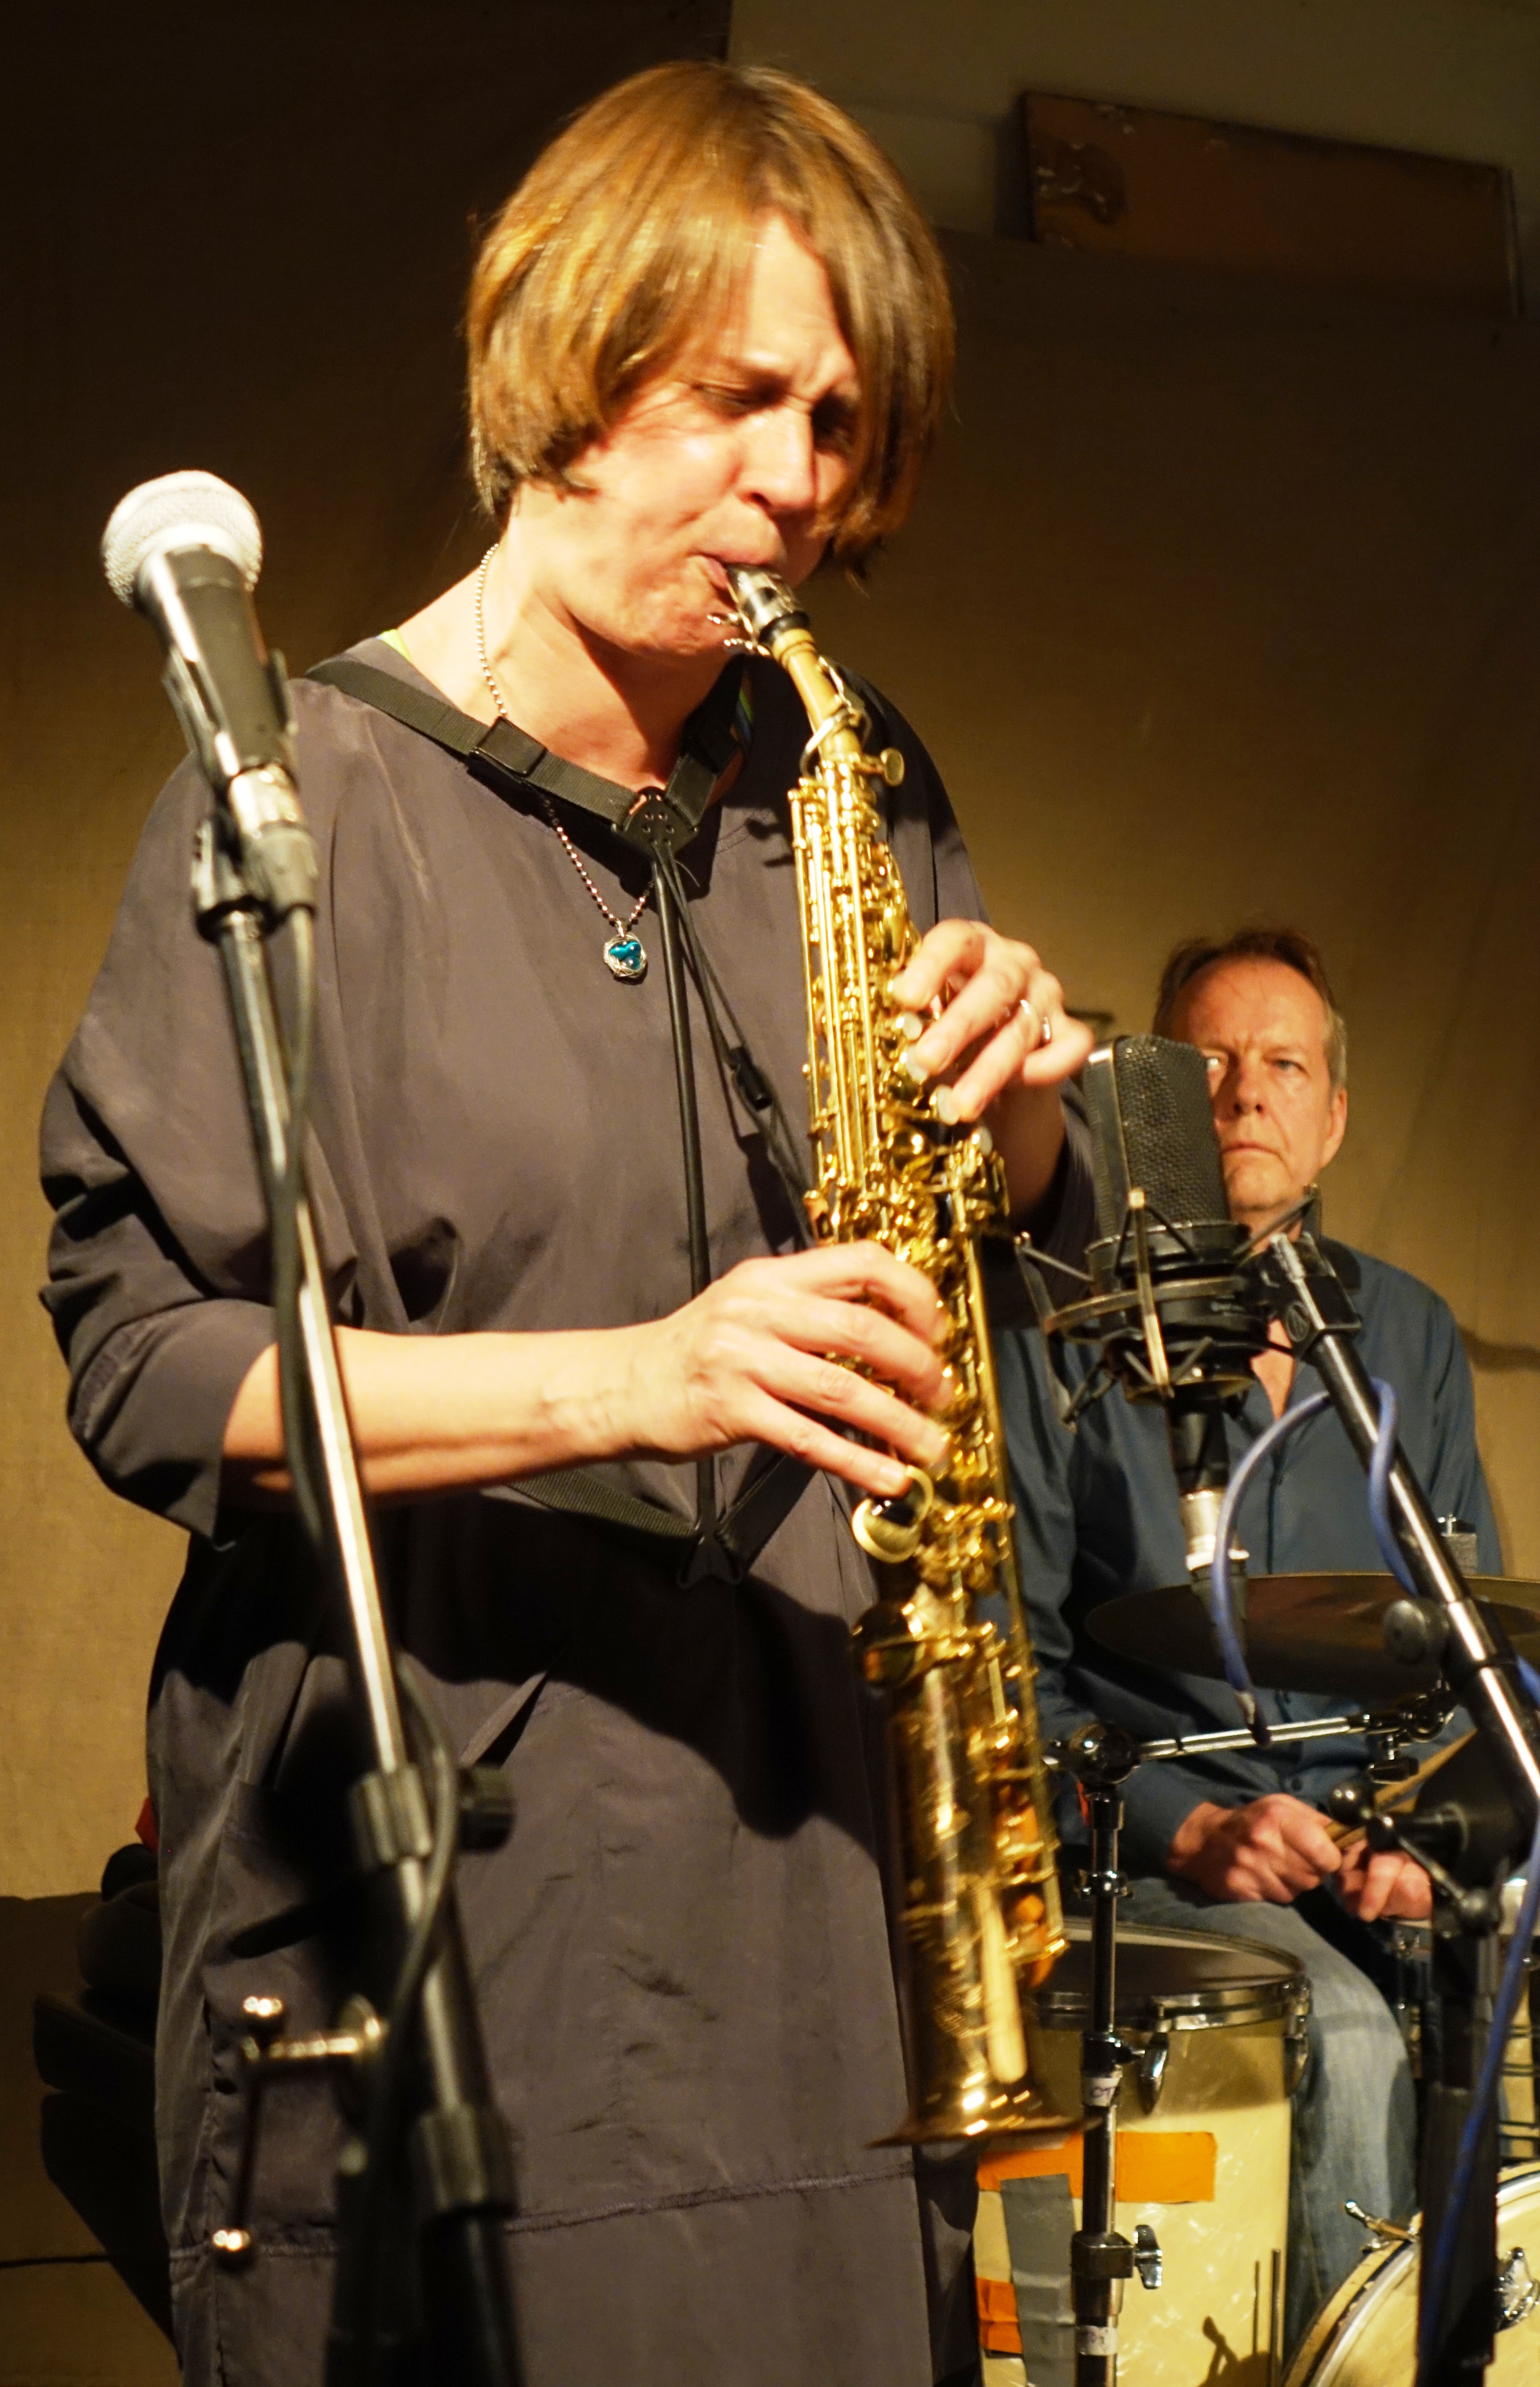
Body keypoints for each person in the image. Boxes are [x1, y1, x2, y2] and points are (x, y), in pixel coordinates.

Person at [39, 62, 1098, 2387]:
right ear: (568, 366)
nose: (801, 484)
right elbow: (142, 1359)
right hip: (461, 1937)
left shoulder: (843, 780)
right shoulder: (307, 796)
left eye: (837, 421)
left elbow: (987, 1233)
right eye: (740, 397)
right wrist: (648, 1376)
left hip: (828, 1893)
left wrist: (1018, 1117)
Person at [1001, 923, 1501, 2348]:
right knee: (1341, 2031)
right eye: (1204, 1064)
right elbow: (1012, 1681)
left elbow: (1479, 1650)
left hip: (1374, 1850)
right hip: (1151, 1863)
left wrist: (1432, 1838)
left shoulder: (1405, 1338)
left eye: (1282, 1065)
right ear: (1137, 1102)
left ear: (1332, 1117)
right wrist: (1180, 1827)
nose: (1242, 1095)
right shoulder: (1056, 1333)